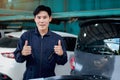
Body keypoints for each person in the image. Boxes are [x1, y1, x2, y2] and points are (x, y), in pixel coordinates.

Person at [14, 5, 67, 80]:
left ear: (50, 19)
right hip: (30, 77)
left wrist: (61, 54)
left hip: (49, 78)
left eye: (45, 17)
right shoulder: (26, 36)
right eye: (39, 17)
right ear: (35, 19)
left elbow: (63, 62)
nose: (41, 21)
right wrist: (22, 53)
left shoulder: (57, 39)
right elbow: (17, 58)